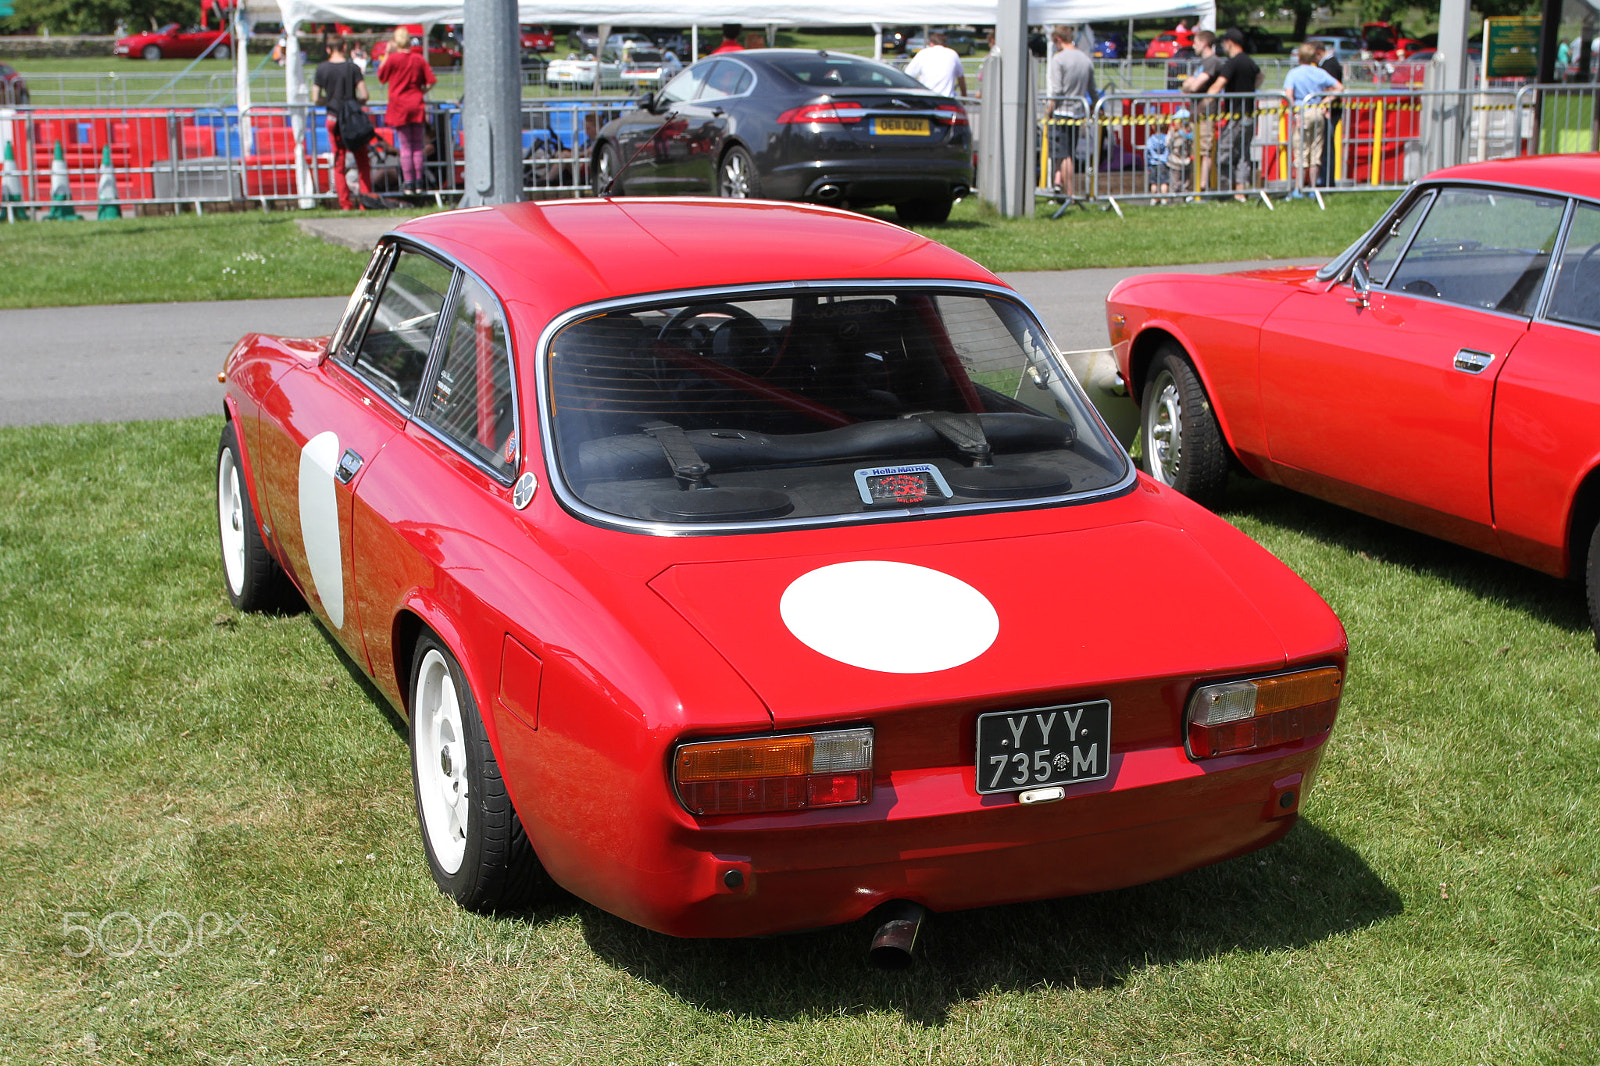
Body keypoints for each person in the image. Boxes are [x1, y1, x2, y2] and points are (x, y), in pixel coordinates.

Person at [314, 35, 375, 211]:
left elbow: (316, 96)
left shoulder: (322, 69)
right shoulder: (352, 68)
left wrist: (329, 101)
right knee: (362, 161)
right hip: (352, 119)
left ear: (327, 49)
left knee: (339, 163)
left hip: (334, 118)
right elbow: (364, 94)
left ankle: (345, 203)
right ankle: (366, 201)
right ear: (344, 47)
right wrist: (354, 104)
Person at [378, 26, 436, 194]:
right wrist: (421, 92)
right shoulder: (418, 59)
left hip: (399, 107)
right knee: (418, 146)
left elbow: (381, 76)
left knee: (405, 147)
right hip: (416, 105)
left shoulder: (393, 59)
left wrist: (388, 53)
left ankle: (409, 182)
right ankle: (418, 182)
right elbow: (431, 81)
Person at [1208, 28, 1262, 200]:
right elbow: (1260, 76)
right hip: (1249, 115)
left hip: (1236, 117)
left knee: (1224, 153)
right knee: (1243, 155)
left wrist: (1202, 103)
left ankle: (1228, 190)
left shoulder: (1232, 63)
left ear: (1229, 42)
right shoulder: (1249, 61)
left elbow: (1219, 85)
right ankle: (1240, 191)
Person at [1283, 42, 1342, 194]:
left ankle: (1299, 188)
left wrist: (1295, 111)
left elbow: (1289, 94)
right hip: (1317, 112)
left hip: (1302, 112)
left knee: (1301, 151)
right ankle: (1314, 188)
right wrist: (1325, 101)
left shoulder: (1294, 73)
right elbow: (1339, 87)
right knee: (1316, 152)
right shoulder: (1319, 73)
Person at [1046, 24, 1095, 202]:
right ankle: (1060, 186)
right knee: (1068, 153)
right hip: (1077, 113)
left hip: (1061, 113)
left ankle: (1070, 194)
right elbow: (1093, 90)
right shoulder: (1085, 59)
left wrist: (1049, 109)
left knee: (1063, 154)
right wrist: (1098, 106)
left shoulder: (1059, 60)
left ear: (1059, 39)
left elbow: (1057, 90)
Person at [1181, 29, 1224, 193]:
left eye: (1196, 42)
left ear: (1205, 43)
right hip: (1196, 113)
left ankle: (1203, 186)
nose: (1193, 46)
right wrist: (1189, 84)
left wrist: (1190, 84)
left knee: (1205, 149)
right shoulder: (1202, 63)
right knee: (1195, 149)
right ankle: (1196, 184)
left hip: (1206, 113)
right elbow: (1187, 85)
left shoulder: (1212, 62)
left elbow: (1194, 85)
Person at [1315, 39, 1345, 185]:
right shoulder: (1330, 63)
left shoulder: (1329, 65)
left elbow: (1333, 88)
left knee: (1326, 147)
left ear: (1319, 52)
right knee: (1326, 147)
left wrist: (1325, 103)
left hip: (1330, 111)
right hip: (1331, 110)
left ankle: (1327, 181)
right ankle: (1326, 180)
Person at [904, 31, 967, 97]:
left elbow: (908, 75)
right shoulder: (953, 54)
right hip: (947, 99)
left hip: (927, 97)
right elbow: (961, 78)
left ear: (931, 43)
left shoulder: (923, 53)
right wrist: (964, 95)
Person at [1167, 108, 1193, 197]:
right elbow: (1167, 144)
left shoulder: (1190, 133)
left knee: (1186, 180)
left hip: (1186, 161)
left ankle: (1185, 194)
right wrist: (1172, 134)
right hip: (1175, 161)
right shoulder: (1173, 132)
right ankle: (1173, 195)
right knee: (1175, 180)